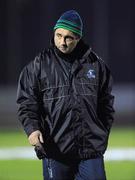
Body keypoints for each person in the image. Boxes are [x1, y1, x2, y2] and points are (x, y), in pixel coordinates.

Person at [16, 10, 115, 180]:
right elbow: (27, 102)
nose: (62, 42)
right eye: (58, 35)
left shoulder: (97, 65)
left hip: (90, 151)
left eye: (68, 37)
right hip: (56, 151)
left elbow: (106, 106)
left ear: (78, 38)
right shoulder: (38, 65)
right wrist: (32, 129)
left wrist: (101, 135)